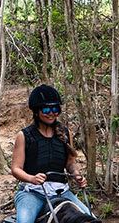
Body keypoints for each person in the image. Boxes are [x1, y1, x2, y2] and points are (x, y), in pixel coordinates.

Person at [11, 84, 91, 223]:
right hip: (32, 192)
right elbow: (15, 169)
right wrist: (32, 179)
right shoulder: (24, 136)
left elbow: (70, 163)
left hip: (61, 191)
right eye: (47, 109)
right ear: (36, 111)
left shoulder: (66, 133)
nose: (51, 113)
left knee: (91, 219)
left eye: (55, 109)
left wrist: (77, 176)